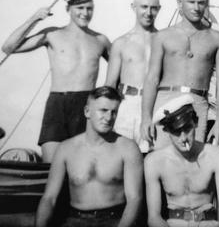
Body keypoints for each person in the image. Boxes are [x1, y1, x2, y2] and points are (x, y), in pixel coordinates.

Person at [2, 0, 110, 162]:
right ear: (68, 9)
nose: (85, 13)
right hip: (57, 103)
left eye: (89, 8)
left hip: (86, 105)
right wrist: (34, 18)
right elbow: (8, 47)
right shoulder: (52, 34)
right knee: (51, 167)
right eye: (80, 8)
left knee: (83, 166)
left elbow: (120, 66)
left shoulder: (100, 40)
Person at [141, 0, 219, 149]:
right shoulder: (163, 36)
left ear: (207, 3)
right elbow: (152, 78)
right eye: (191, 2)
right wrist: (146, 117)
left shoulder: (217, 39)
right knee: (162, 159)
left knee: (193, 163)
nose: (196, 8)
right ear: (180, 3)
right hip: (165, 101)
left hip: (197, 104)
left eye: (201, 2)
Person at [35, 86, 143, 227]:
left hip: (114, 220)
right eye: (103, 110)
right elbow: (49, 198)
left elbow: (135, 199)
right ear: (87, 111)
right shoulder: (66, 148)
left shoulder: (128, 148)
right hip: (75, 220)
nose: (109, 118)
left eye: (114, 112)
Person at [144, 95, 219, 227]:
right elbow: (154, 217)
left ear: (196, 122)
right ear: (166, 130)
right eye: (176, 131)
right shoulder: (154, 161)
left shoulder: (217, 156)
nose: (183, 138)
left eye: (187, 129)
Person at [105, 0, 161, 153]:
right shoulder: (121, 43)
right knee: (121, 156)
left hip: (154, 105)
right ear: (133, 7)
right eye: (144, 7)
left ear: (159, 9)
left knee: (149, 158)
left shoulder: (164, 41)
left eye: (153, 8)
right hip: (126, 105)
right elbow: (109, 84)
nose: (148, 12)